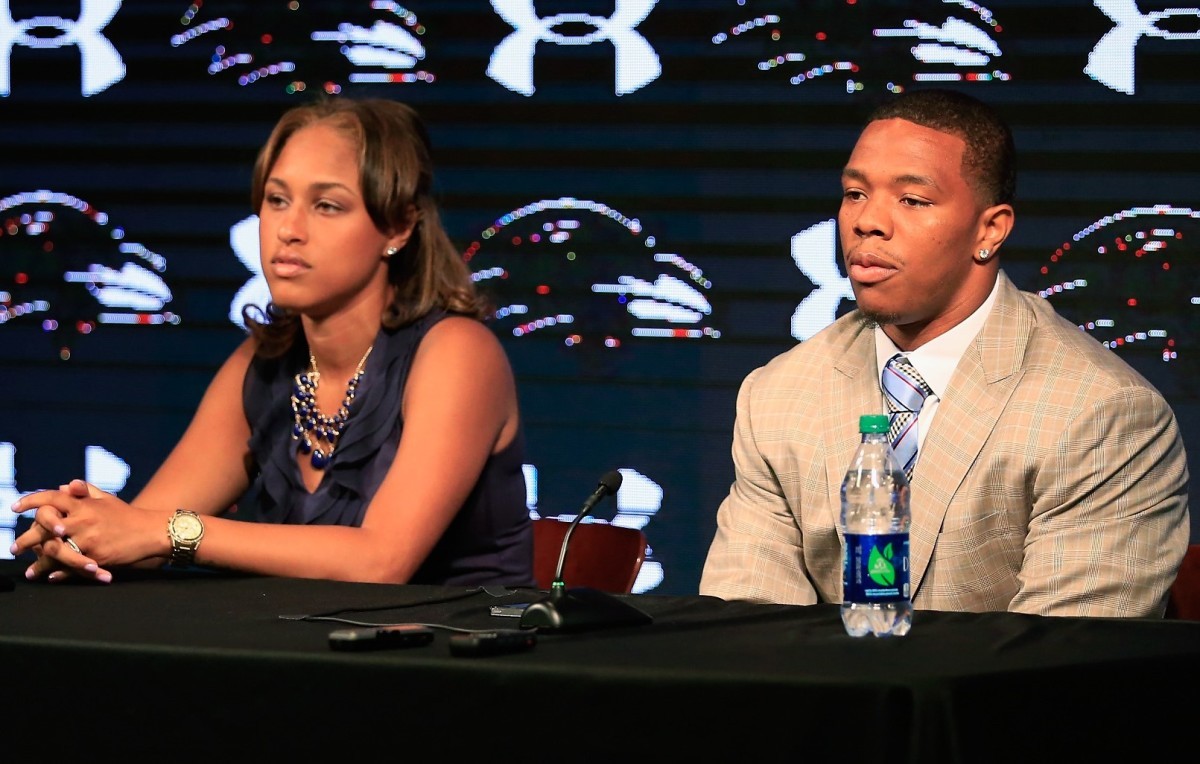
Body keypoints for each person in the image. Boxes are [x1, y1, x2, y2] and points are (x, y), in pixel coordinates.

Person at [699, 88, 1190, 617]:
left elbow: (1060, 664)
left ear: (989, 229)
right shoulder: (777, 394)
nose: (868, 222)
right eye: (855, 193)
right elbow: (746, 627)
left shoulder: (1100, 413)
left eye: (912, 200)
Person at [10, 97, 533, 587]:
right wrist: (80, 532)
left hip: (462, 664)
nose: (289, 229)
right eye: (277, 200)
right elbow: (145, 530)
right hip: (308, 662)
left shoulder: (457, 353)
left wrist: (170, 532)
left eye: (327, 205)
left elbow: (381, 560)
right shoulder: (262, 364)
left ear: (398, 226)